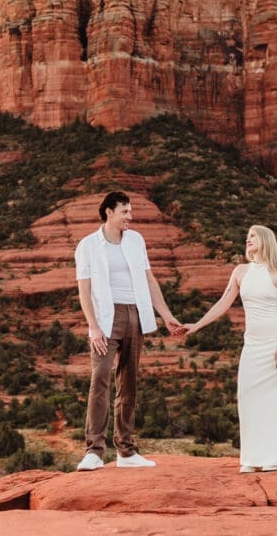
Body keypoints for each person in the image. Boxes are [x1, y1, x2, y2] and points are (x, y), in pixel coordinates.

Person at [75, 191, 183, 471]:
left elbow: (149, 281)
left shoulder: (136, 241)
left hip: (135, 314)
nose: (130, 217)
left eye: (130, 212)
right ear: (109, 212)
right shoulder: (87, 246)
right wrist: (93, 327)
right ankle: (94, 451)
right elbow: (84, 290)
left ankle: (125, 451)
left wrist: (167, 316)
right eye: (125, 212)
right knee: (100, 378)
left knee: (129, 382)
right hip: (105, 320)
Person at [184, 225, 277, 472]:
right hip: (253, 344)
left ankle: (271, 459)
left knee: (274, 401)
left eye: (253, 236)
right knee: (248, 397)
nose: (247, 239)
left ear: (266, 240)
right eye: (246, 236)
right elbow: (223, 302)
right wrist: (197, 325)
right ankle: (251, 458)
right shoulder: (240, 272)